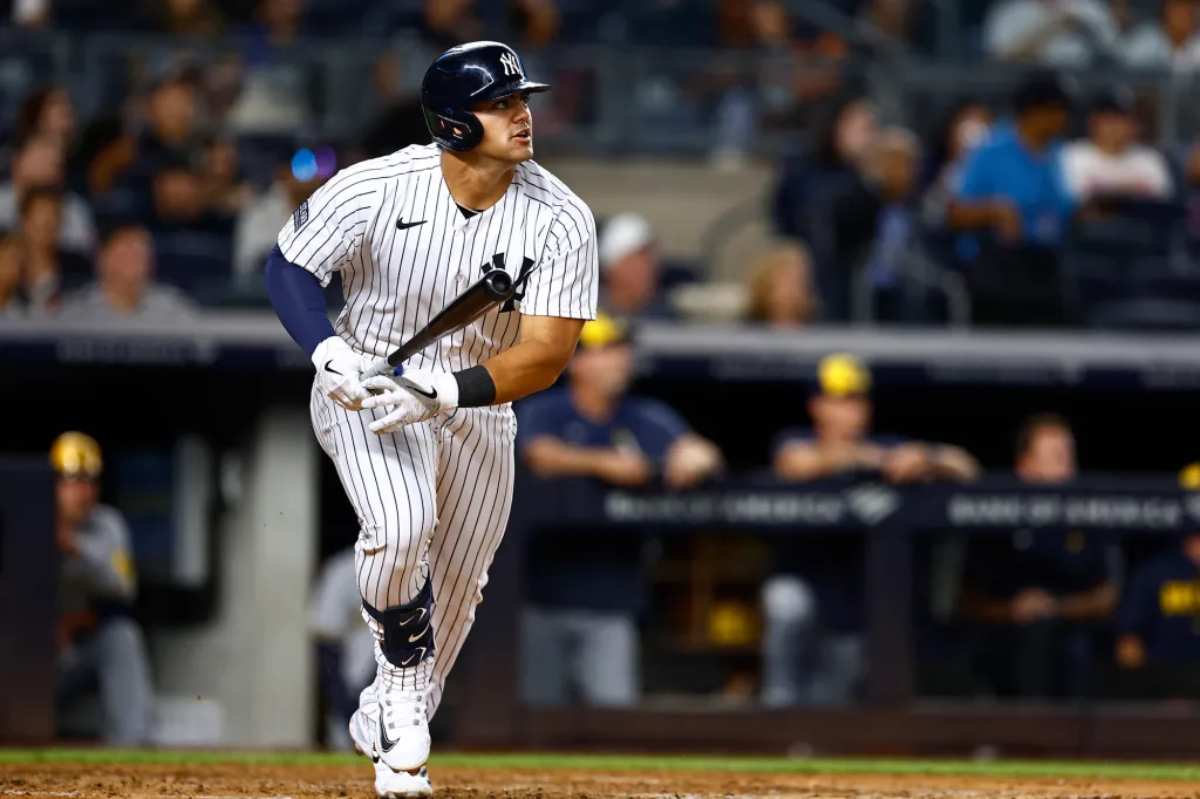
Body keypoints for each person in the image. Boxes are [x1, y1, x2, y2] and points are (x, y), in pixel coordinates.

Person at [264, 41, 597, 798]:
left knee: (459, 583)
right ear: (452, 124)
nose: (522, 114)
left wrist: (445, 390)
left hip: (477, 401)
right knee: (401, 525)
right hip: (368, 387)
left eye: (523, 100)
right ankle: (403, 697)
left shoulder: (562, 218)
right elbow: (288, 265)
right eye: (502, 103)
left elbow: (546, 354)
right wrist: (324, 352)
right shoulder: (378, 186)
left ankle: (390, 722)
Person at [516, 315, 722, 707]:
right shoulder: (548, 410)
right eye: (605, 352)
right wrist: (609, 464)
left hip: (612, 600)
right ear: (576, 361)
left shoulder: (644, 417)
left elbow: (702, 453)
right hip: (542, 597)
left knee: (612, 718)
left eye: (621, 351)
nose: (619, 361)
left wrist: (693, 461)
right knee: (535, 718)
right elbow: (538, 455)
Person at [762, 354, 978, 707]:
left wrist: (926, 457)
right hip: (805, 590)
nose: (851, 411)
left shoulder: (890, 446)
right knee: (785, 603)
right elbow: (794, 464)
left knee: (827, 708)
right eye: (840, 401)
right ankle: (772, 720)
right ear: (817, 406)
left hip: (851, 606)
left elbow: (966, 466)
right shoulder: (796, 441)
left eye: (857, 401)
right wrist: (868, 459)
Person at [959, 413, 1121, 698]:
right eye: (1056, 456)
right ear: (1026, 465)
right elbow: (966, 601)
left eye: (1069, 454)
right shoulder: (994, 519)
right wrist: (1011, 610)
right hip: (1004, 643)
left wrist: (1056, 607)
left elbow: (1107, 597)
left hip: (1072, 645)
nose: (1067, 464)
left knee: (1074, 648)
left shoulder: (1089, 515)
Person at [50, 431, 154, 745]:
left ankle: (130, 751)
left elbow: (123, 586)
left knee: (122, 637)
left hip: (81, 650)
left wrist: (75, 549)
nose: (84, 490)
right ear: (54, 483)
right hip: (32, 656)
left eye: (91, 480)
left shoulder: (108, 524)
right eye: (73, 480)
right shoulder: (26, 519)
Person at [948, 73, 1075, 326]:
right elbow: (955, 213)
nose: (1064, 118)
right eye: (1057, 110)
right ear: (1035, 112)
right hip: (997, 266)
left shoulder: (1059, 153)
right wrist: (995, 210)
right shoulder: (990, 151)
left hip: (1047, 263)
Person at [310, 547, 377, 750]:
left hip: (393, 677)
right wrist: (342, 701)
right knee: (344, 744)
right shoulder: (343, 569)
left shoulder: (416, 567)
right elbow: (326, 639)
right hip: (352, 676)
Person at [60, 224, 195, 322]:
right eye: (127, 249)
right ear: (102, 258)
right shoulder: (77, 309)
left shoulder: (170, 306)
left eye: (142, 250)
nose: (137, 257)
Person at [1061, 88, 1172, 204]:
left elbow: (1163, 205)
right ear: (1093, 121)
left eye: (1123, 118)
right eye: (1109, 118)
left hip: (1141, 221)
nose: (1116, 125)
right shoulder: (1071, 156)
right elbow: (1074, 205)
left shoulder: (1150, 159)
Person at [0, 135, 96, 257]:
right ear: (17, 162)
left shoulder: (74, 208)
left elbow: (82, 257)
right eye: (42, 158)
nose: (49, 167)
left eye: (56, 163)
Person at [983, 0, 1118, 67]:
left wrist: (1082, 25)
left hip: (1083, 91)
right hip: (1024, 91)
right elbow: (999, 59)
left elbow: (1114, 53)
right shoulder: (1010, 13)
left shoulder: (1091, 9)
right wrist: (1050, 30)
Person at [597, 212, 675, 320]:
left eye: (652, 257)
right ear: (614, 266)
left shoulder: (668, 318)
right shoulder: (582, 319)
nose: (650, 266)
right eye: (640, 256)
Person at [744, 242, 819, 327]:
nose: (792, 289)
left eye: (798, 281)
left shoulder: (820, 329)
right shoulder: (745, 331)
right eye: (785, 279)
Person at [1121, 0, 1200, 70]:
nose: (1187, 13)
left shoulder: (1197, 43)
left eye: (1191, 7)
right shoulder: (1143, 43)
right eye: (1181, 6)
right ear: (1167, 9)